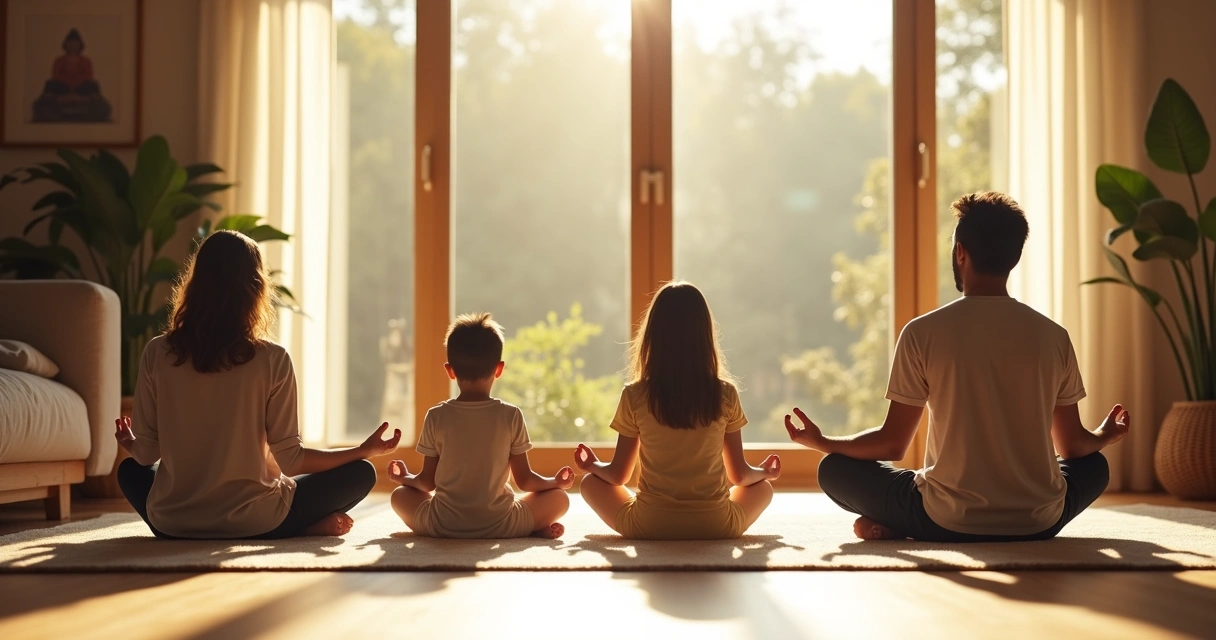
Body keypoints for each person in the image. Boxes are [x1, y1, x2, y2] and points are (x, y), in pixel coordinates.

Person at [785, 191, 1129, 542]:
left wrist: (824, 441)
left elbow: (891, 444)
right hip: (1039, 522)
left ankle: (900, 523)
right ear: (1014, 257)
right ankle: (918, 520)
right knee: (1095, 465)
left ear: (960, 252)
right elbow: (1072, 447)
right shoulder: (1054, 336)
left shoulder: (923, 332)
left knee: (834, 468)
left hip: (944, 521)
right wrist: (1106, 434)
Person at [114, 230, 399, 539]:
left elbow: (145, 456)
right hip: (256, 519)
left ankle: (215, 527)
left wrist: (130, 441)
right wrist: (361, 450)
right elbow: (291, 460)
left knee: (130, 473)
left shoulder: (157, 352)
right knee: (361, 472)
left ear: (196, 283)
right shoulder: (273, 358)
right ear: (256, 288)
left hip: (174, 523)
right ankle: (295, 528)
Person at [575, 281, 781, 540]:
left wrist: (592, 464)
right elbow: (739, 475)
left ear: (652, 337)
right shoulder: (725, 393)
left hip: (649, 525)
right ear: (705, 335)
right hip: (716, 525)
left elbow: (618, 476)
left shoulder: (635, 394)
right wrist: (765, 472)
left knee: (590, 484)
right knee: (763, 488)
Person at [387, 312, 575, 539]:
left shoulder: (436, 416)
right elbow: (525, 481)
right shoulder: (511, 415)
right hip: (502, 525)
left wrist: (404, 477)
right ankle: (533, 528)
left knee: (400, 495)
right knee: (560, 498)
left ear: (450, 371)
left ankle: (532, 527)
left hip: (444, 525)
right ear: (499, 369)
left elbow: (426, 482)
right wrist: (556, 482)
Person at [32, 28, 112, 122]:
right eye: (70, 42)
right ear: (65, 44)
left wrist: (75, 93)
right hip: (62, 88)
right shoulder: (59, 60)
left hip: (81, 89)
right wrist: (68, 91)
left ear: (80, 45)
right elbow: (56, 76)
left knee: (93, 84)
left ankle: (83, 101)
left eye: (75, 42)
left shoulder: (86, 61)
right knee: (50, 84)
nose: (73, 45)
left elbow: (88, 76)